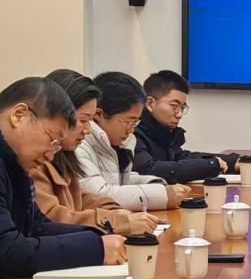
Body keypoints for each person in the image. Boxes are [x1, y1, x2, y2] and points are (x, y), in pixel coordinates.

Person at [0, 77, 126, 275]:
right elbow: (1, 251)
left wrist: (101, 237)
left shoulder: (10, 159)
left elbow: (36, 226)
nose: (51, 155)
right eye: (52, 139)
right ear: (19, 115)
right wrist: (95, 249)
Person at [33, 70, 155, 235]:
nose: (88, 130)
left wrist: (116, 211)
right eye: (83, 120)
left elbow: (82, 197)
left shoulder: (63, 156)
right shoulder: (34, 161)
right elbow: (54, 220)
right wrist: (119, 222)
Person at [79, 71, 193, 210]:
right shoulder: (80, 145)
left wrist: (160, 186)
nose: (131, 130)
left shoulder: (117, 143)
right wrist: (163, 195)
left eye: (135, 123)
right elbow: (99, 195)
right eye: (129, 122)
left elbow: (121, 181)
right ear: (99, 114)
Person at [133, 69, 241, 183]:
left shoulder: (161, 131)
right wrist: (210, 165)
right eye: (174, 106)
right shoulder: (132, 131)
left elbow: (181, 157)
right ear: (150, 103)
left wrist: (231, 162)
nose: (179, 114)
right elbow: (148, 170)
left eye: (182, 108)